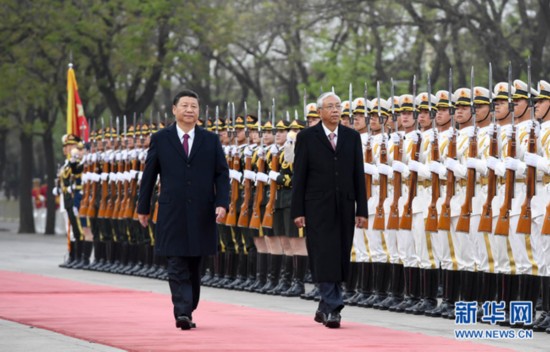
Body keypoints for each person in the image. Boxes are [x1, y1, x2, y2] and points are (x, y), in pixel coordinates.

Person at [137, 89, 229, 330]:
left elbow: (222, 174)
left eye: (194, 107)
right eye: (185, 106)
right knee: (176, 260)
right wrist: (143, 207)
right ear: (174, 110)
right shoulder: (160, 138)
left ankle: (189, 304)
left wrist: (222, 203)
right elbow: (149, 175)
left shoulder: (210, 140)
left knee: (195, 264)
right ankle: (182, 311)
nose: (190, 110)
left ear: (199, 112)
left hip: (202, 210)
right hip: (172, 210)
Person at [291, 92, 368, 329]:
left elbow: (358, 174)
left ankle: (325, 305)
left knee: (340, 253)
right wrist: (298, 210)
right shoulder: (306, 137)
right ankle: (334, 306)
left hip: (345, 204)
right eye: (330, 107)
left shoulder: (352, 137)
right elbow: (300, 176)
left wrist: (362, 210)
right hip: (317, 207)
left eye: (338, 106)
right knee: (323, 254)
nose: (335, 110)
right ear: (320, 111)